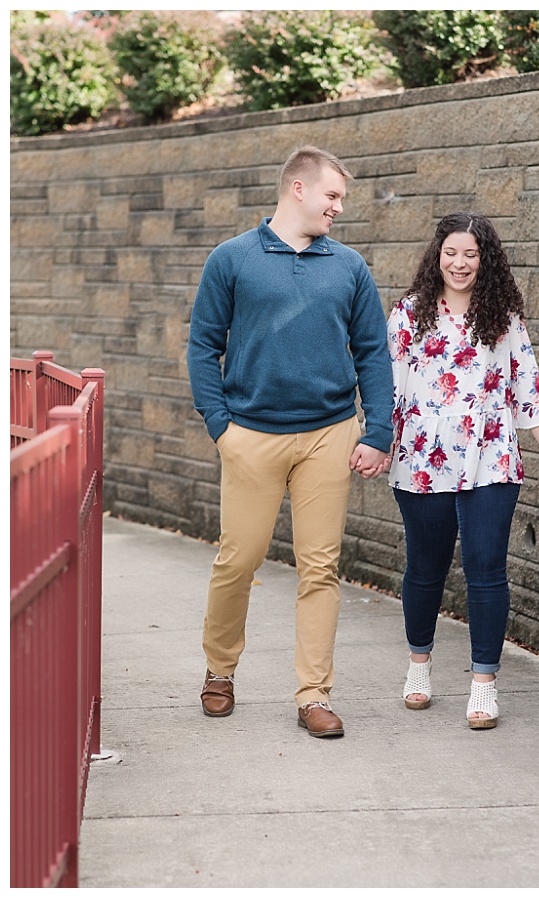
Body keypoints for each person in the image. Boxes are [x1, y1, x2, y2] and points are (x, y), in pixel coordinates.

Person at [187, 145, 393, 738]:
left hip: (329, 434)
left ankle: (313, 693)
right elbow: (203, 345)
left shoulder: (349, 267)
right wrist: (219, 425)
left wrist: (376, 430)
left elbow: (373, 352)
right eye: (332, 196)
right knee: (240, 557)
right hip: (250, 434)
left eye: (342, 200)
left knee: (320, 567)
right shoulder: (232, 259)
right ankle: (220, 670)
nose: (338, 208)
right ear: (297, 189)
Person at [387, 211, 539, 729]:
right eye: (451, 253)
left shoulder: (502, 316)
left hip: (492, 457)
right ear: (436, 256)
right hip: (422, 459)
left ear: (486, 260)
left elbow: (525, 378)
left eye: (471, 254)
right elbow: (388, 385)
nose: (460, 263)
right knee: (426, 567)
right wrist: (377, 441)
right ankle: (419, 665)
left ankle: (483, 683)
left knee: (487, 569)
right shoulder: (407, 314)